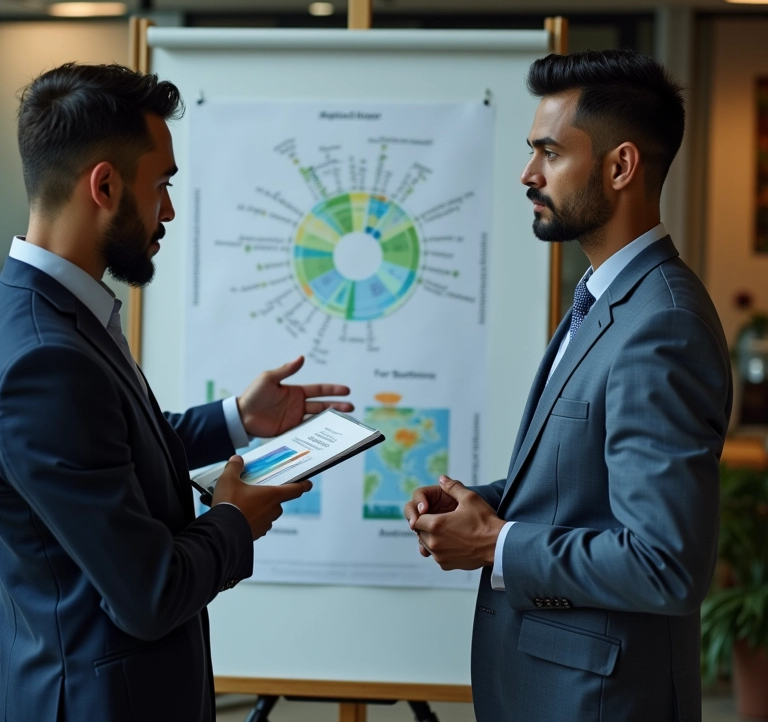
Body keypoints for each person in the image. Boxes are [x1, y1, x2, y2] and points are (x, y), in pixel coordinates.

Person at [0, 63, 352, 722]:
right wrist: (234, 519)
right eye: (161, 185)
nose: (167, 209)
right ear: (104, 185)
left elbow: (111, 449)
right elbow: (150, 593)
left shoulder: (48, 314)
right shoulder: (44, 357)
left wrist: (239, 420)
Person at [405, 50, 732, 722]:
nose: (528, 174)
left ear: (620, 167)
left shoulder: (660, 322)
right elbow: (585, 491)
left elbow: (664, 562)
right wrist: (483, 504)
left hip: (597, 701)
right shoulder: (603, 297)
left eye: (549, 153)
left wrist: (494, 543)